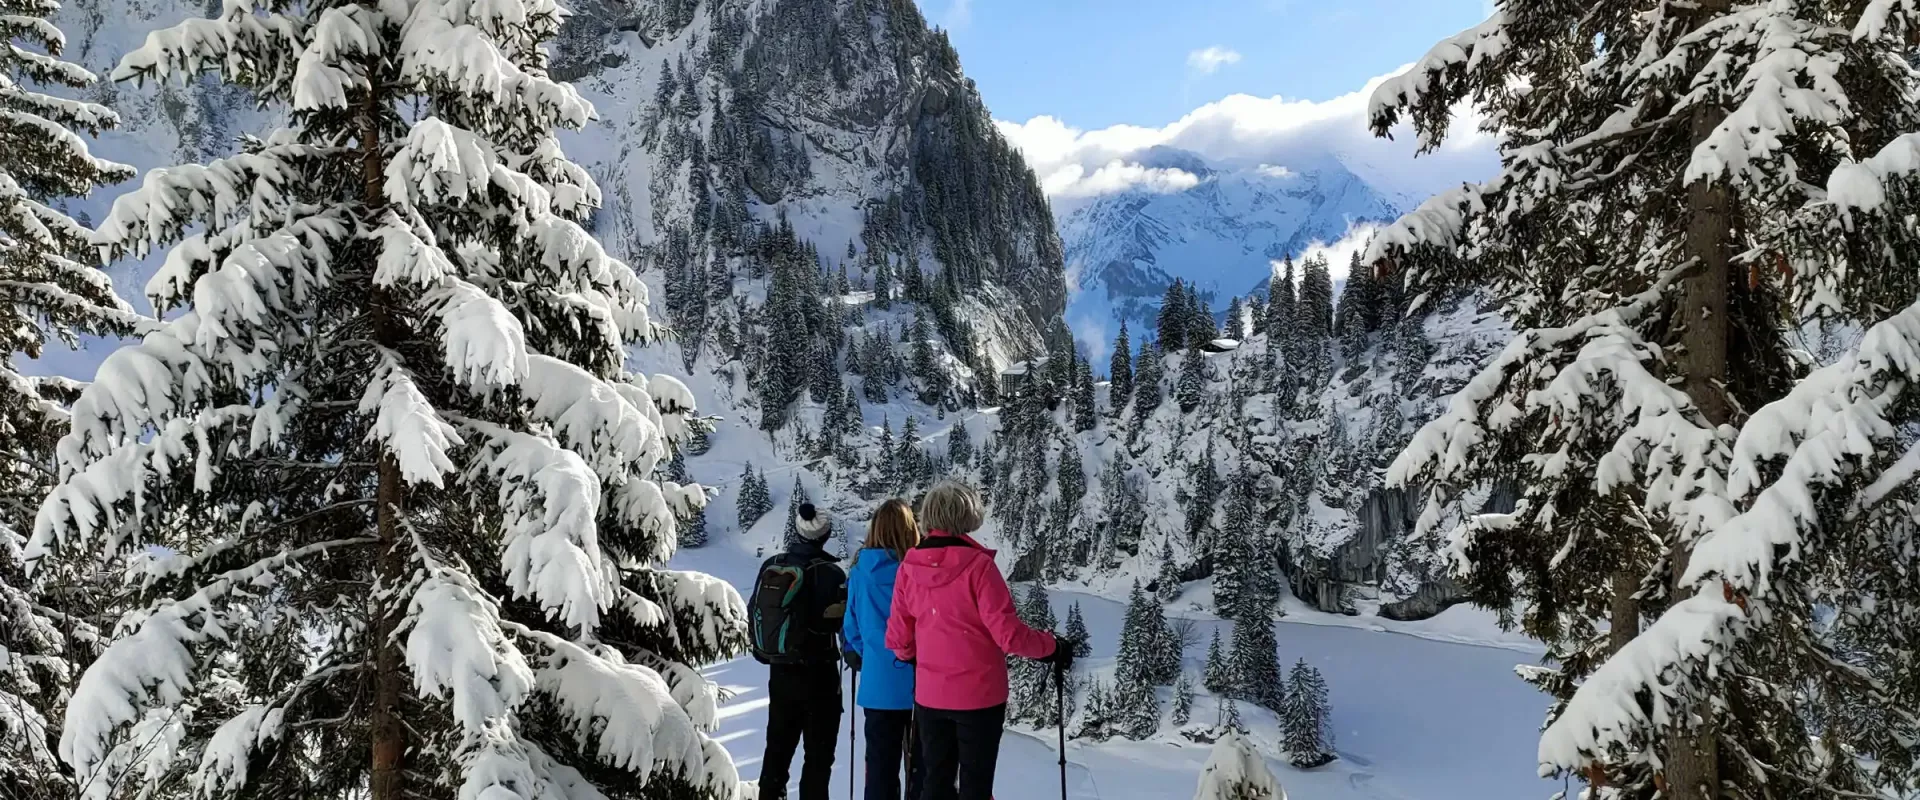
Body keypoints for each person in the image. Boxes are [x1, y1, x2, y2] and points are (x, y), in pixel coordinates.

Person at [886, 481, 1074, 800]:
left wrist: (916, 656)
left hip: (931, 696)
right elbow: (1009, 636)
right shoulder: (979, 567)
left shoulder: (908, 568)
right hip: (979, 697)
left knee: (936, 782)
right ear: (967, 516)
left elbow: (899, 638)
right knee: (976, 786)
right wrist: (1052, 646)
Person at [750, 503, 848, 800]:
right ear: (826, 535)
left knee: (777, 750)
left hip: (780, 673)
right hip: (820, 677)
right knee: (818, 759)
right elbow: (842, 622)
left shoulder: (772, 565)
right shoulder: (832, 573)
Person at [843, 499, 927, 800]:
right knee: (923, 769)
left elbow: (850, 628)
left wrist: (871, 656)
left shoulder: (860, 573)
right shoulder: (917, 570)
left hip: (878, 684)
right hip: (923, 683)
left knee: (880, 769)